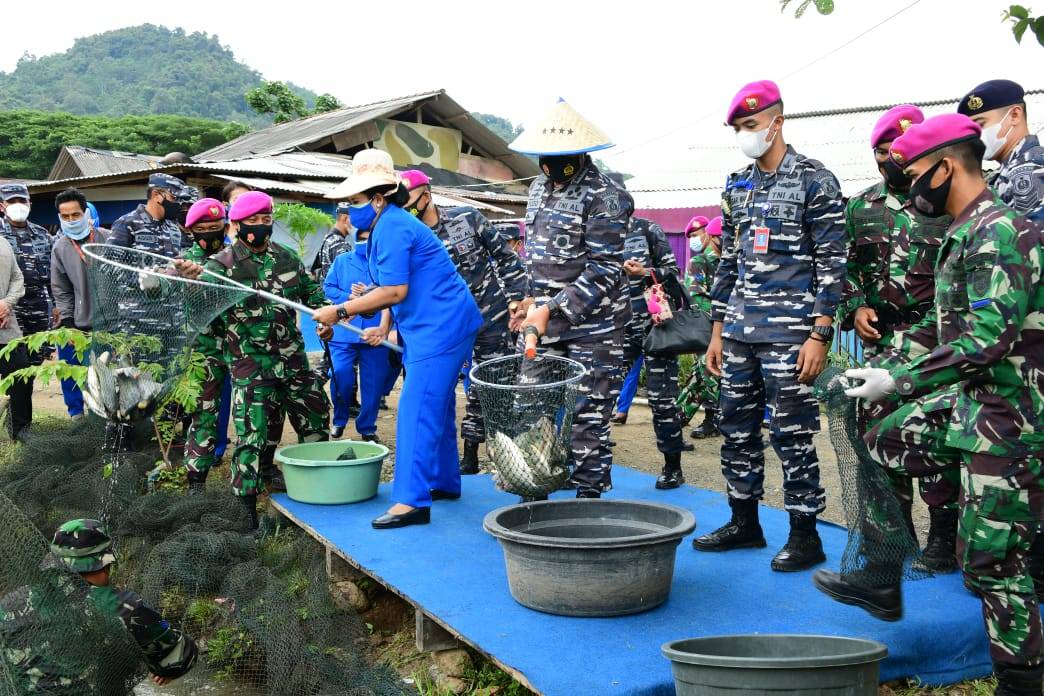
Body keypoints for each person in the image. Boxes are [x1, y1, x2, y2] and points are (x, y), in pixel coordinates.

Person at [815, 113, 1044, 696]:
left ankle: (1023, 680)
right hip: (975, 405)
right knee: (883, 437)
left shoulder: (998, 231)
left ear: (946, 167)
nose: (910, 187)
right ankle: (884, 574)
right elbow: (952, 335)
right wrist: (887, 375)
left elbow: (987, 339)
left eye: (916, 174)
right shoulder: (965, 230)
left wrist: (903, 381)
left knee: (991, 559)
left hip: (1012, 418)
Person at [693, 81, 845, 572]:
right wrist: (716, 330)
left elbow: (833, 262)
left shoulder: (815, 181)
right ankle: (745, 522)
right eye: (739, 128)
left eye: (752, 126)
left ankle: (805, 534)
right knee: (736, 431)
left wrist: (819, 334)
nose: (745, 135)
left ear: (778, 123)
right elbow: (728, 263)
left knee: (793, 434)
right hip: (738, 330)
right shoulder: (737, 185)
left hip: (791, 334)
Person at [314, 149, 482, 529]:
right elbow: (393, 287)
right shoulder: (384, 226)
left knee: (415, 407)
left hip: (442, 326)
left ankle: (411, 501)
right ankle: (443, 481)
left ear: (377, 198)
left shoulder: (391, 227)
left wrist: (341, 311)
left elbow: (394, 291)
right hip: (430, 324)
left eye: (355, 201)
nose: (349, 208)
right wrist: (382, 325)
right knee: (434, 405)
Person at [836, 104, 961, 573]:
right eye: (883, 152)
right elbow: (843, 269)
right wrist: (855, 307)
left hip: (934, 346)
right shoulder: (861, 207)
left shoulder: (944, 206)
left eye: (900, 152)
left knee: (930, 437)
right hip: (877, 341)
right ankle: (894, 536)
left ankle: (943, 538)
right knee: (875, 440)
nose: (892, 161)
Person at [174, 191, 332, 528]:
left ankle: (320, 494)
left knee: (315, 418)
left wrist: (324, 319)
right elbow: (197, 306)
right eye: (253, 222)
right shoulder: (220, 266)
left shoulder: (287, 258)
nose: (261, 226)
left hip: (292, 360)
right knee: (252, 435)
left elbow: (314, 294)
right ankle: (246, 513)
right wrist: (188, 281)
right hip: (251, 364)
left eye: (265, 220)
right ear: (237, 225)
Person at [507, 99, 631, 500]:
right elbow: (538, 256)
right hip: (541, 324)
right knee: (529, 411)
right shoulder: (538, 188)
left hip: (594, 328)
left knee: (586, 421)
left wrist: (551, 308)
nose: (551, 163)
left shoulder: (606, 196)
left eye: (561, 155)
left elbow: (606, 268)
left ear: (580, 151)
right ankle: (533, 497)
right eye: (545, 155)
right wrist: (528, 302)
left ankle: (588, 508)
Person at [400, 169, 528, 475]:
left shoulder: (467, 219)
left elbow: (507, 257)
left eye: (409, 202)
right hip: (445, 324)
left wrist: (515, 298)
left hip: (491, 316)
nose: (406, 209)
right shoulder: (409, 237)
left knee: (495, 383)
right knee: (441, 390)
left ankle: (489, 453)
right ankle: (459, 456)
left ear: (426, 196)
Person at [0, 519, 197, 690]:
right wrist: (166, 669)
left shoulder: (10, 603)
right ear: (104, 564)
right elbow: (180, 658)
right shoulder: (122, 607)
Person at [180, 198, 234, 493]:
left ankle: (259, 471)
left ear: (225, 226)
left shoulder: (238, 256)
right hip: (205, 351)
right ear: (192, 232)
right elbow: (161, 289)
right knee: (204, 415)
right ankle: (196, 481)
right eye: (204, 229)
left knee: (252, 411)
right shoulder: (184, 262)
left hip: (242, 348)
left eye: (216, 227)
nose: (211, 233)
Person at [322, 224, 391, 442]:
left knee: (373, 382)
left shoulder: (386, 264)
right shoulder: (342, 261)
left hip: (374, 331)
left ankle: (367, 426)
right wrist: (349, 298)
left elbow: (394, 294)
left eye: (370, 236)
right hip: (344, 330)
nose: (365, 239)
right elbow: (328, 288)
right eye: (361, 236)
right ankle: (339, 419)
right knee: (341, 374)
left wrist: (368, 295)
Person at [51, 188, 107, 419]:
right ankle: (76, 417)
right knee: (72, 373)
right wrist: (67, 323)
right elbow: (61, 289)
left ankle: (105, 420)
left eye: (75, 215)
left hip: (108, 324)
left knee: (103, 378)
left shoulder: (107, 238)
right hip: (78, 323)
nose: (71, 220)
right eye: (65, 216)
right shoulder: (60, 247)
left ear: (86, 214)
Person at [958, 79, 1043, 218]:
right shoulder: (1005, 171)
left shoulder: (1031, 169)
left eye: (980, 124)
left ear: (1015, 115)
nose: (975, 135)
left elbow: (1031, 237)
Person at [678, 214, 723, 439]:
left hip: (726, 329)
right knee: (709, 372)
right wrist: (720, 321)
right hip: (708, 329)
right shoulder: (699, 263)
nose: (694, 240)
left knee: (704, 373)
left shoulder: (728, 263)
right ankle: (712, 418)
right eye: (691, 237)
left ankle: (679, 415)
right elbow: (697, 300)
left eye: (697, 235)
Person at [0, 183, 53, 368]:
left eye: (21, 200)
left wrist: (56, 307)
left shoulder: (43, 235)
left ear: (29, 203)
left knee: (32, 363)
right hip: (9, 311)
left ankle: (19, 397)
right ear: (2, 206)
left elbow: (54, 276)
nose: (17, 204)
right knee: (11, 361)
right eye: (11, 201)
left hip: (39, 309)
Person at [108, 173, 189, 257]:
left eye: (180, 200)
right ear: (156, 195)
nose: (179, 204)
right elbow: (108, 266)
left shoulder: (173, 227)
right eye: (174, 198)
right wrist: (149, 270)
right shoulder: (127, 223)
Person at [0, 230, 31, 440]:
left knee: (21, 378)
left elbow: (17, 278)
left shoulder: (3, 243)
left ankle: (21, 431)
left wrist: (5, 303)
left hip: (7, 330)